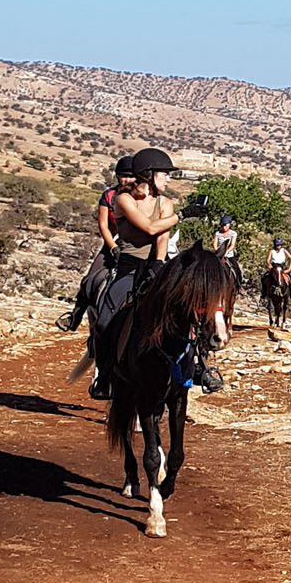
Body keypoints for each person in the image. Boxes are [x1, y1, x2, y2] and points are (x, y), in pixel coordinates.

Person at [89, 147, 212, 398]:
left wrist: (158, 262)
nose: (168, 179)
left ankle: (198, 365)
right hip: (128, 265)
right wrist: (184, 214)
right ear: (149, 174)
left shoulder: (164, 202)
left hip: (156, 264)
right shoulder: (123, 199)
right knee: (104, 321)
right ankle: (104, 374)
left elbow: (161, 235)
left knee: (188, 310)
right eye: (164, 174)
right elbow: (149, 226)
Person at [55, 156, 134, 332]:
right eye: (123, 176)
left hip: (138, 246)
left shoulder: (143, 198)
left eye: (131, 176)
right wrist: (113, 248)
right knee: (89, 280)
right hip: (113, 244)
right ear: (117, 177)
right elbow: (103, 225)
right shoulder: (109, 196)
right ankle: (75, 316)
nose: (127, 180)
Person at [214, 215, 242, 286]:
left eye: (226, 225)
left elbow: (232, 245)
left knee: (237, 270)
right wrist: (218, 251)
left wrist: (225, 252)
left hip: (229, 255)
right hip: (218, 255)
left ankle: (239, 286)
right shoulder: (217, 233)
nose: (224, 227)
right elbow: (214, 244)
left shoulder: (233, 233)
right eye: (223, 225)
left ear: (229, 225)